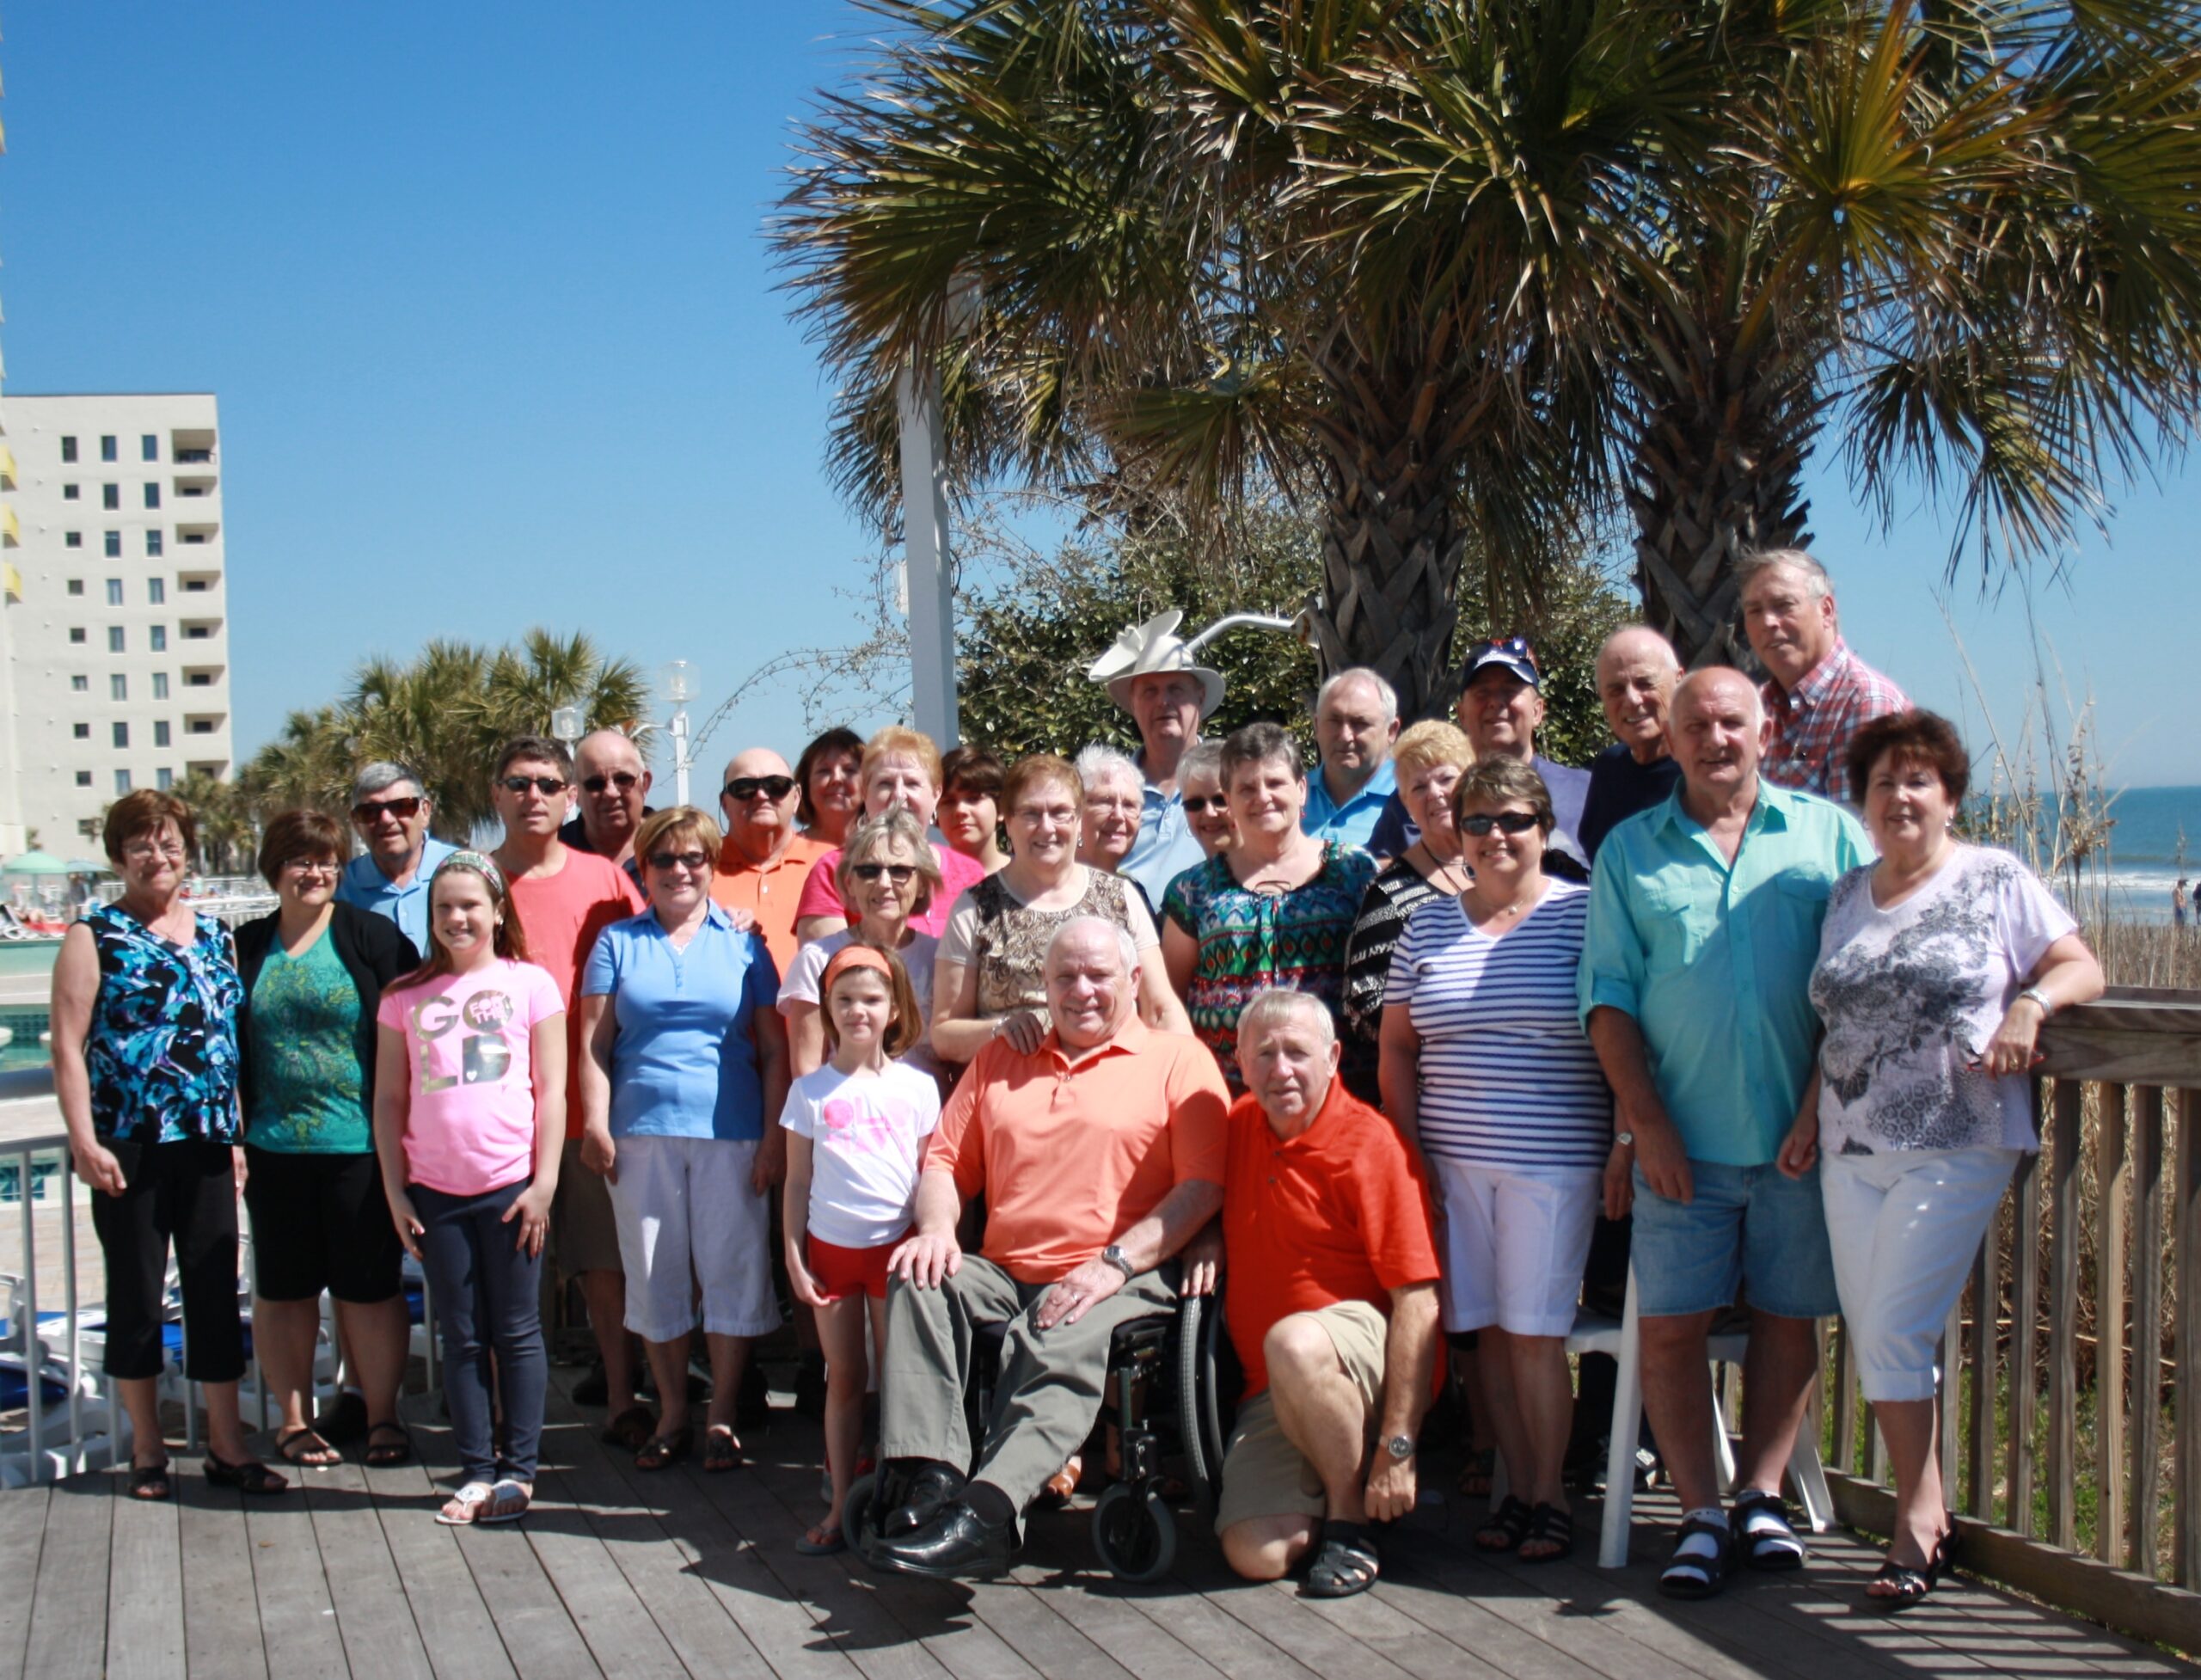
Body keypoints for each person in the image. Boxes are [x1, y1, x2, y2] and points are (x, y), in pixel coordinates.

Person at [1788, 710, 2102, 1607]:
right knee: (1879, 1327)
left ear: (1950, 797)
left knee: (1890, 1322)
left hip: (1956, 1136)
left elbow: (2081, 963)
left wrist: (2031, 1004)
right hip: (1848, 1145)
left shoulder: (1992, 876)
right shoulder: (1847, 894)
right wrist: (1810, 1112)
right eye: (1883, 782)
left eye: (1917, 780)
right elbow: (1835, 1022)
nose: (1898, 796)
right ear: (1864, 800)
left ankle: (1917, 1520)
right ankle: (1924, 1515)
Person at [1579, 668, 1872, 1599]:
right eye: (1695, 723)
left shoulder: (1830, 836)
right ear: (1669, 734)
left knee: (1790, 1318)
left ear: (1760, 730)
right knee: (1669, 1332)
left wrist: (1813, 1106)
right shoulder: (1630, 851)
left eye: (1730, 721)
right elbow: (1608, 999)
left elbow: (1863, 983)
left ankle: (1760, 1496)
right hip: (1681, 1147)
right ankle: (1701, 1514)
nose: (1714, 738)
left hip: (1800, 1138)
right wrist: (1646, 1126)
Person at [861, 919, 1229, 1580]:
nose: (1081, 991)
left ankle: (987, 1514)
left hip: (1125, 1273)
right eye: (1065, 977)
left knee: (1062, 1320)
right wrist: (940, 1230)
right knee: (921, 1278)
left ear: (1135, 982)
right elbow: (945, 1162)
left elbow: (1201, 1186)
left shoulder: (1180, 1060)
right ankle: (931, 1482)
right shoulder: (1005, 1055)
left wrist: (1112, 1264)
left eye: (1099, 976)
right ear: (1044, 986)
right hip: (1006, 1267)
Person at [1381, 759, 1609, 1564]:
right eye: (1477, 821)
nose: (1495, 836)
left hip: (1551, 1163)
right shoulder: (1428, 924)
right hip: (1451, 1167)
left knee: (1535, 1335)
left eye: (1513, 819)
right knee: (1482, 1333)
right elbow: (1399, 1048)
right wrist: (1412, 1155)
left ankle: (1548, 1498)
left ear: (1545, 828)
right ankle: (1516, 1488)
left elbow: (1621, 1033)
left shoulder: (1586, 916)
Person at [50, 789, 286, 1500]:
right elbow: (66, 1045)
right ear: (120, 857)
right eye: (142, 845)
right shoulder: (94, 935)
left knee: (216, 1293)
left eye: (171, 842)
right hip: (131, 1147)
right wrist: (85, 1141)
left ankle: (225, 1444)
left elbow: (224, 1043)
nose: (159, 856)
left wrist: (237, 1133)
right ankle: (147, 1451)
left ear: (189, 850)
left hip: (209, 1143)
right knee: (137, 1297)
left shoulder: (215, 935)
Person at [1211, 990, 1441, 1597]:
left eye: (1297, 1052)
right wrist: (1204, 1235)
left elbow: (1419, 1301)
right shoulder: (1236, 1126)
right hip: (1276, 1385)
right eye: (1264, 1053)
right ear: (1239, 1060)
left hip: (1356, 1356)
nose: (1280, 1069)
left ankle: (1348, 1518)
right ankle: (1337, 1461)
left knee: (1293, 1338)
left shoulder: (1371, 1144)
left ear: (1334, 1057)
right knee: (1254, 1553)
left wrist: (1399, 1444)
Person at [579, 806, 788, 1474]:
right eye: (663, 859)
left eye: (693, 857)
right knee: (653, 1275)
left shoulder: (746, 944)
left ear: (710, 864)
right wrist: (594, 1121)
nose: (679, 870)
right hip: (640, 1133)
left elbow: (777, 1052)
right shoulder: (616, 943)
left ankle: (721, 1413)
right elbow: (592, 1044)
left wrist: (773, 1139)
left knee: (732, 1270)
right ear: (643, 867)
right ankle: (672, 1410)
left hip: (732, 1131)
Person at [374, 851, 563, 1525]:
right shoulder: (403, 997)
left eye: (470, 906)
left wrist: (544, 1184)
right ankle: (477, 1470)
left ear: (496, 912)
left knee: (516, 1332)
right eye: (444, 908)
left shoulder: (533, 985)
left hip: (511, 1189)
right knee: (460, 1336)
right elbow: (390, 1098)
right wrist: (396, 1193)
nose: (458, 918)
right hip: (434, 1194)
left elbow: (552, 1091)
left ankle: (520, 1470)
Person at [234, 810, 420, 1472]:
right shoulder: (246, 944)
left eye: (327, 861)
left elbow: (417, 1027)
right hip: (273, 1149)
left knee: (369, 1290)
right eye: (300, 860)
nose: (314, 873)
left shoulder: (370, 937)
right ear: (274, 869)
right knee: (283, 1293)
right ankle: (293, 1421)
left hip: (359, 1150)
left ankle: (381, 1415)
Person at [487, 736, 650, 1447]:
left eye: (548, 784)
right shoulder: (474, 882)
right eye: (519, 784)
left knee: (601, 1262)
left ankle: (621, 1398)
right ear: (496, 794)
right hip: (491, 1110)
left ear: (567, 797)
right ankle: (498, 1418)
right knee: (500, 1271)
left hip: (588, 1104)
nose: (534, 797)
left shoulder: (606, 881)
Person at [782, 945, 941, 1554]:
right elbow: (797, 1183)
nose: (857, 1011)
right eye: (844, 1000)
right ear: (827, 1008)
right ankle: (839, 1497)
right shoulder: (810, 1092)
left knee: (898, 1379)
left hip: (895, 1255)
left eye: (871, 999)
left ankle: (897, 1501)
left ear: (895, 1008)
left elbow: (932, 1174)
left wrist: (931, 1237)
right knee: (844, 1377)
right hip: (832, 1255)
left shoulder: (919, 1088)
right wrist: (793, 1257)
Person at [931, 752, 1190, 1066]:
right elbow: (944, 1033)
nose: (1046, 827)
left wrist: (1185, 1075)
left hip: (1115, 1089)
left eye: (1060, 813)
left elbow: (1161, 1009)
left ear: (1079, 821)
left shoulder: (1121, 896)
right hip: (1014, 1093)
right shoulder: (974, 908)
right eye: (1030, 814)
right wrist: (999, 1031)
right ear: (1008, 822)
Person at [1162, 722, 1379, 1089]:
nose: (1262, 797)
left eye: (1275, 783)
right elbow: (1168, 1001)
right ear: (1229, 800)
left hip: (1341, 1093)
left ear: (1302, 789)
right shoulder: (1193, 890)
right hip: (1226, 1096)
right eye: (1246, 788)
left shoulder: (1353, 870)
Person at [1339, 720, 1475, 1103]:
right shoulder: (1389, 893)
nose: (1435, 794)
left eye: (1446, 778)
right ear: (1407, 805)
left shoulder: (1507, 865)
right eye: (1418, 787)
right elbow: (1362, 1003)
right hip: (1434, 1090)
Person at [781, 811, 943, 1077]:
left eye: (900, 871)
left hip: (927, 1117)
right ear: (850, 883)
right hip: (842, 1114)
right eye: (868, 871)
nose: (883, 883)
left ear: (923, 884)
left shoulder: (938, 959)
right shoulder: (818, 959)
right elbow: (807, 1071)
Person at [1739, 548, 1909, 800]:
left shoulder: (1864, 703)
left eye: (1784, 605)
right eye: (1754, 611)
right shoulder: (1757, 704)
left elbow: (1854, 834)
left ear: (1827, 610)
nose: (1768, 622)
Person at [794, 727, 990, 943]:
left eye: (912, 783)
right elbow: (828, 966)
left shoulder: (970, 874)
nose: (899, 795)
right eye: (885, 783)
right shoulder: (833, 870)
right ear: (866, 793)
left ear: (936, 794)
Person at [1085, 611, 1220, 909]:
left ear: (1200, 696)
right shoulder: (1108, 792)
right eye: (1150, 691)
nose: (1163, 701)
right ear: (1133, 703)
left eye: (1176, 689)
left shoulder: (1232, 780)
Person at [714, 746, 835, 982]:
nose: (761, 796)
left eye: (776, 785)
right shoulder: (692, 870)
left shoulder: (833, 865)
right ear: (725, 802)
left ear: (797, 797)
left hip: (818, 1017)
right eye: (744, 788)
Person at [1580, 626, 1684, 864]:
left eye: (1645, 683)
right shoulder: (1609, 769)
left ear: (1679, 681)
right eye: (1615, 690)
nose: (1632, 699)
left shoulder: (1703, 770)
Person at [336, 763, 458, 958]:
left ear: (425, 811)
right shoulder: (340, 888)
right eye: (370, 811)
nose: (386, 819)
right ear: (356, 822)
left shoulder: (466, 870)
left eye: (401, 806)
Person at [1302, 669, 1402, 851]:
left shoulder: (1414, 798)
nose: (1345, 736)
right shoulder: (1288, 797)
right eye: (1334, 721)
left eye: (1360, 723)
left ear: (1392, 731)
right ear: (1317, 725)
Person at [561, 729, 655, 882]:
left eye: (623, 779)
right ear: (575, 793)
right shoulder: (551, 856)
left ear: (645, 784)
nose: (611, 793)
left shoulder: (678, 847)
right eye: (595, 784)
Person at [1074, 745, 1148, 892]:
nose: (1119, 816)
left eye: (1129, 805)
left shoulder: (1133, 890)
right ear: (1077, 810)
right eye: (1105, 802)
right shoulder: (1052, 885)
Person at [938, 745, 1008, 874]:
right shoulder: (921, 888)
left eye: (973, 799)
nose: (960, 810)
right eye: (949, 801)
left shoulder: (1032, 881)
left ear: (1001, 807)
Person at [794, 726, 866, 849]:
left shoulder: (888, 851)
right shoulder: (786, 855)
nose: (836, 779)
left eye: (849, 770)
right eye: (824, 771)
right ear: (805, 784)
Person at [1178, 741, 1235, 861]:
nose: (1209, 812)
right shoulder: (1186, 880)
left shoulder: (1277, 875)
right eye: (1195, 804)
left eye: (1221, 800)